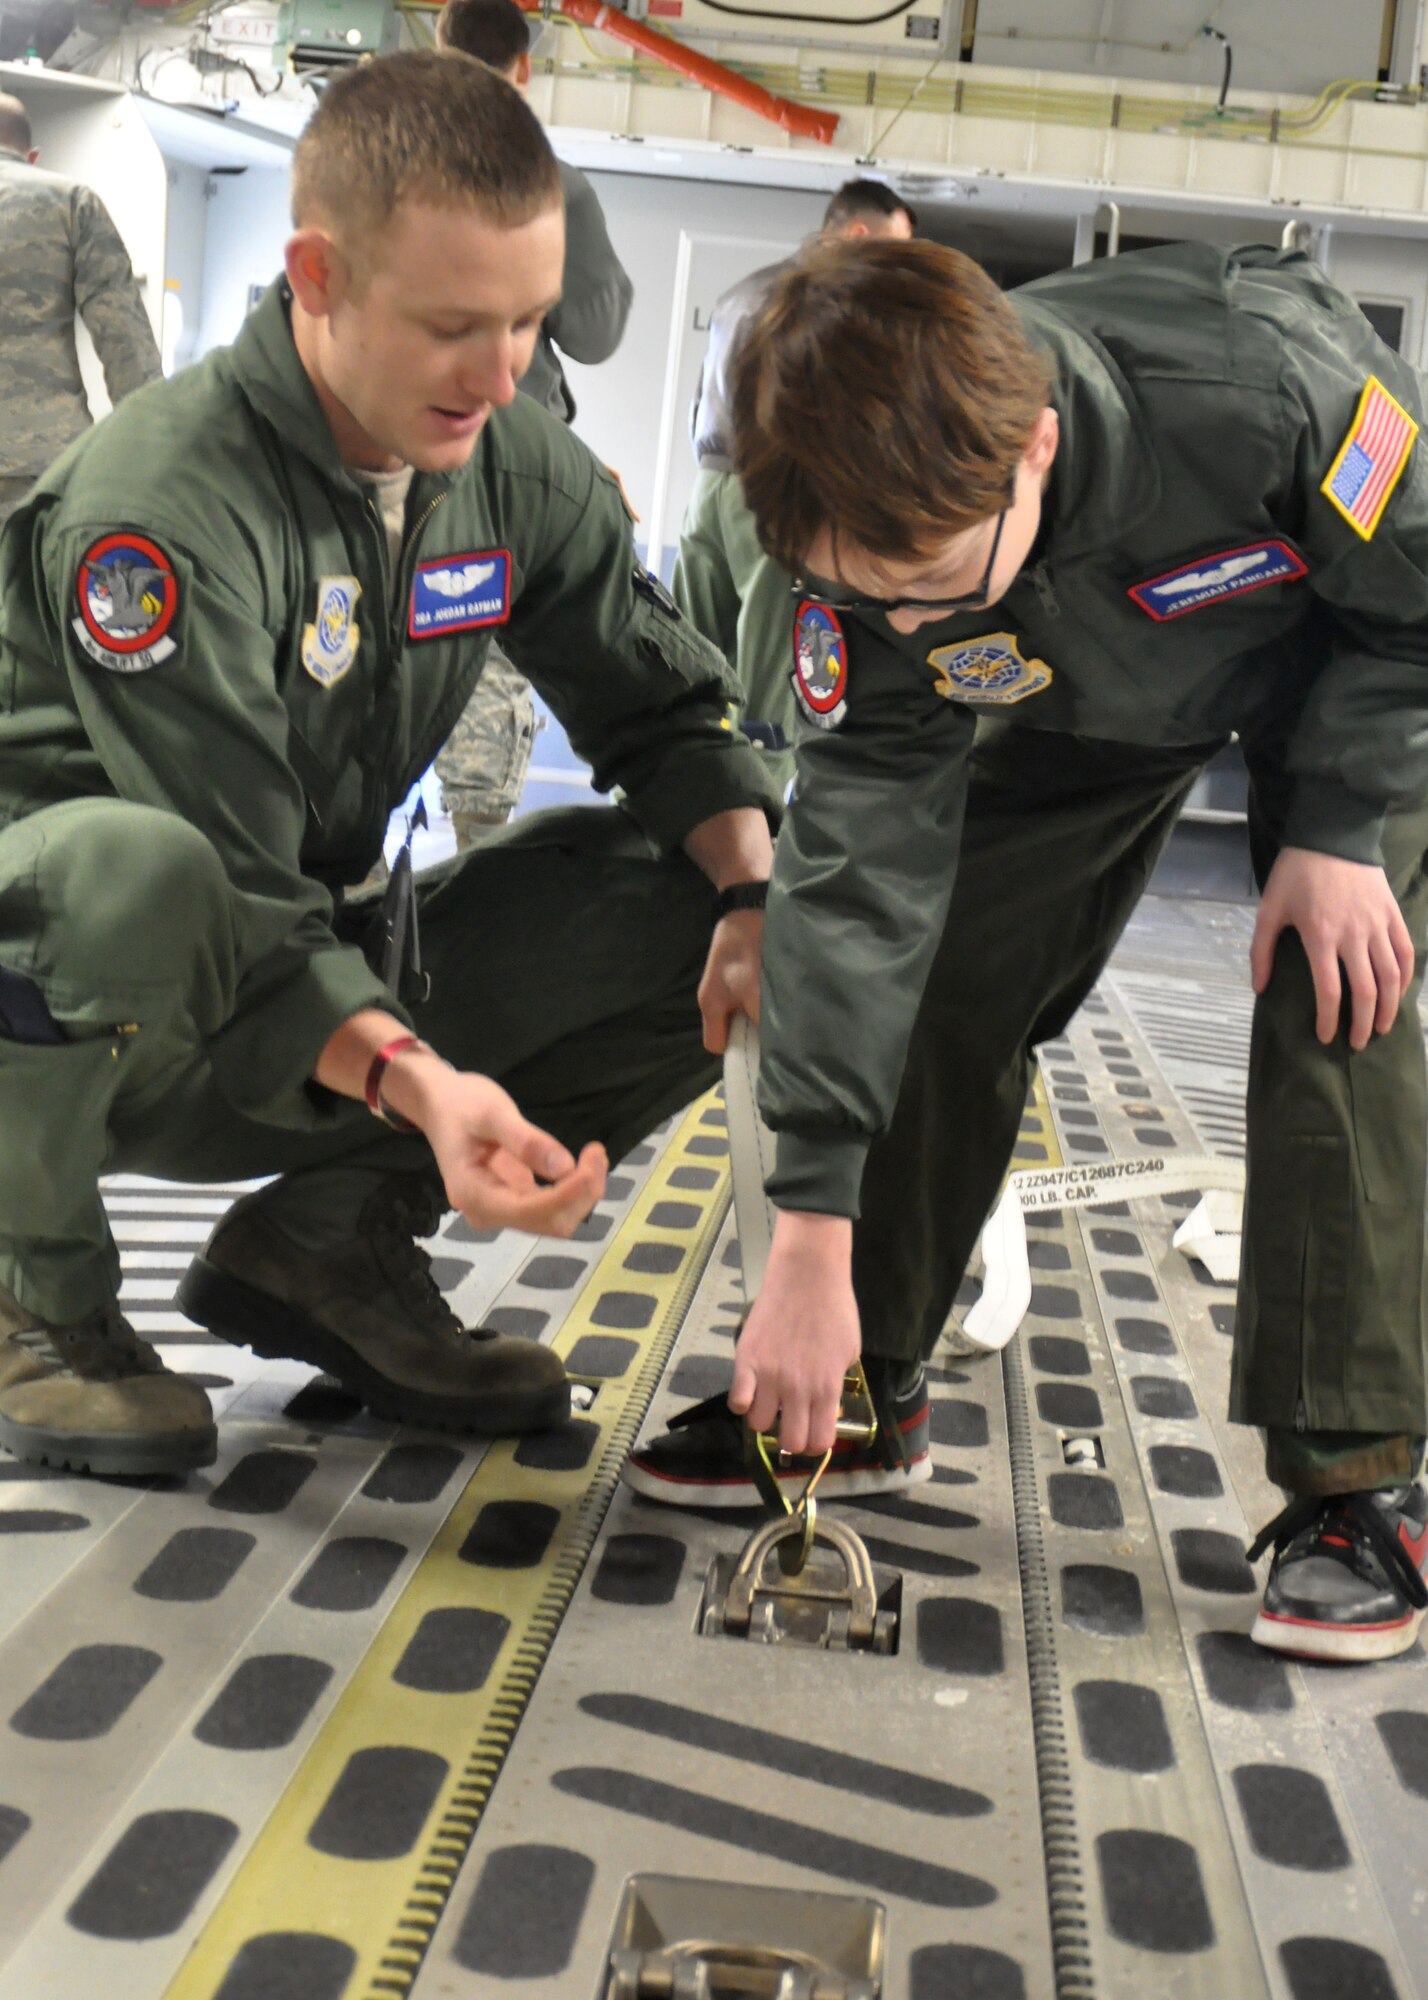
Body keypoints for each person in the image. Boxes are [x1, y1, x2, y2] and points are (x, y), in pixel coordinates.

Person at [627, 233, 1428, 1665]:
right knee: (931, 971)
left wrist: (1345, 819)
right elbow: (861, 882)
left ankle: (1359, 1490)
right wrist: (808, 1233)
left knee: (1337, 987)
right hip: (1072, 690)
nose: (907, 621)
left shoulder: (1269, 391)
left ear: (1038, 447)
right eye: (870, 600)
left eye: (930, 581)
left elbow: (1421, 603)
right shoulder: (870, 570)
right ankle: (860, 1390)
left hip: (1359, 671)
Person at [0, 50, 776, 1482]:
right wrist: (427, 1086)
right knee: (133, 871)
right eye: (454, 326)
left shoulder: (506, 469)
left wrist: (752, 892)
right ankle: (28, 1299)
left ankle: (328, 1246)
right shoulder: (160, 512)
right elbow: (230, 895)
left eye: (533, 324)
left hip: (303, 970)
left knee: (707, 909)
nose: (503, 375)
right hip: (96, 996)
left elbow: (668, 716)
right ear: (317, 275)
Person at [434, 0, 635, 842]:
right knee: (485, 654)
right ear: (524, 69)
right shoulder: (551, 182)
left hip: (375, 457)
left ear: (439, 50)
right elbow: (594, 334)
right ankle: (468, 913)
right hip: (504, 462)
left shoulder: (372, 160)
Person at [672, 181, 915, 797]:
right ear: (858, 233)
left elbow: (702, 403)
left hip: (708, 492)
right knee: (769, 687)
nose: (894, 267)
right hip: (772, 501)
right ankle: (753, 837)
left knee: (687, 668)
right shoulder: (821, 303)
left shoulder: (740, 293)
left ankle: (667, 807)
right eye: (893, 249)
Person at [0, 91, 161, 536]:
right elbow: (125, 341)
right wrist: (153, 453)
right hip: (44, 464)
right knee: (35, 602)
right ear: (32, 156)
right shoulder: (73, 202)